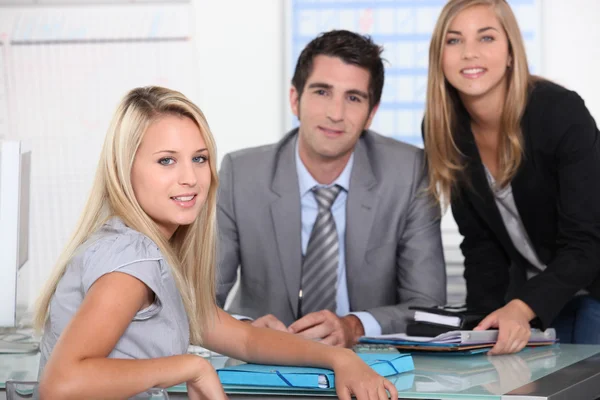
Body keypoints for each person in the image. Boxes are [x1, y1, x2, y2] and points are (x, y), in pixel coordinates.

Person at [33, 86, 398, 400]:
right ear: (123, 170)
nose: (190, 178)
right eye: (166, 161)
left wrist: (341, 358)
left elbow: (245, 340)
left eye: (199, 159)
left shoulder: (152, 253)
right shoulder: (133, 258)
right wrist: (190, 366)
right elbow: (61, 384)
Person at [216, 29, 446, 348]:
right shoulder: (240, 175)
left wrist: (355, 326)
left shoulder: (408, 173)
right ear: (295, 99)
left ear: (371, 114)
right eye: (322, 92)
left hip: (370, 371)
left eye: (353, 98)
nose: (335, 114)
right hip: (264, 371)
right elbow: (199, 300)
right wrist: (247, 330)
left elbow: (428, 308)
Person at [423, 0, 600, 355]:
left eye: (486, 38)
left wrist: (521, 308)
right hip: (540, 301)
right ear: (439, 58)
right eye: (454, 41)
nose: (469, 53)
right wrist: (480, 331)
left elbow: (587, 241)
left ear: (510, 53)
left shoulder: (559, 112)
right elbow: (480, 245)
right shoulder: (443, 129)